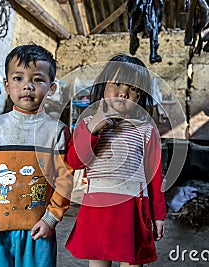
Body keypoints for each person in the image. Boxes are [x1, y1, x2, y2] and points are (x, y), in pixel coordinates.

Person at [0, 44, 73, 267]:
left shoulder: (57, 131)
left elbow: (64, 179)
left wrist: (51, 217)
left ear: (51, 88)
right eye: (18, 78)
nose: (27, 86)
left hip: (39, 230)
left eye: (37, 79)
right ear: (7, 86)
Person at [65, 54, 166, 267]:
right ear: (103, 86)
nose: (123, 92)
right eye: (117, 84)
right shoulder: (87, 123)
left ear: (140, 96)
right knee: (99, 261)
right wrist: (94, 128)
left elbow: (155, 177)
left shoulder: (146, 130)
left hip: (134, 208)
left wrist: (159, 216)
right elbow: (75, 162)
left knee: (133, 260)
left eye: (133, 88)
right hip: (97, 207)